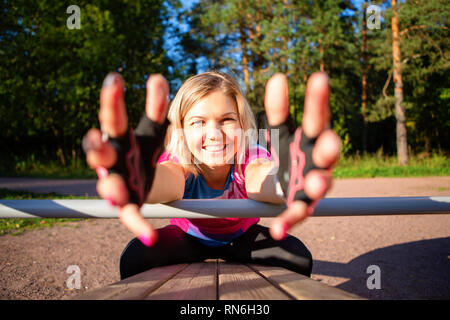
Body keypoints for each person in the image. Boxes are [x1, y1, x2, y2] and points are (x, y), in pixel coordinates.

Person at [83, 70, 341, 280]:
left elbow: (260, 179)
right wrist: (142, 182)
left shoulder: (250, 157)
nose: (215, 134)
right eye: (198, 122)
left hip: (241, 238)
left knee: (296, 255)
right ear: (181, 130)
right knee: (136, 256)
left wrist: (285, 182)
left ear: (242, 124)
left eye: (227, 120)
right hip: (189, 238)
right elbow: (166, 180)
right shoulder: (179, 161)